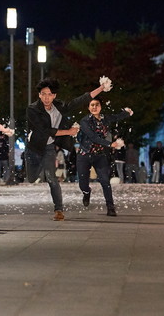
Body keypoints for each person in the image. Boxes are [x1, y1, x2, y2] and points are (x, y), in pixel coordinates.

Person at [26, 77, 109, 221]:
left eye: (49, 94)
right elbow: (45, 130)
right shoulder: (32, 109)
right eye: (43, 94)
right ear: (39, 95)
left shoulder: (59, 106)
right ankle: (38, 169)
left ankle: (58, 210)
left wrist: (101, 88)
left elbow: (78, 101)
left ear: (54, 95)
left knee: (52, 178)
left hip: (49, 148)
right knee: (32, 178)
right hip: (33, 148)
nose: (46, 97)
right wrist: (69, 132)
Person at [77, 98, 132, 216]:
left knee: (105, 181)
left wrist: (127, 113)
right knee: (82, 183)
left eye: (97, 105)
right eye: (92, 105)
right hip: (84, 155)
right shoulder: (84, 121)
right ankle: (86, 192)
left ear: (101, 107)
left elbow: (116, 117)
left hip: (99, 155)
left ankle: (110, 207)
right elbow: (93, 137)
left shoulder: (104, 119)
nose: (94, 107)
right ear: (88, 107)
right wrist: (110, 144)